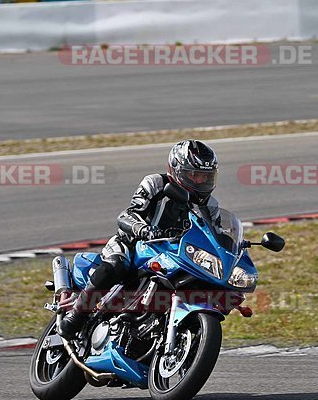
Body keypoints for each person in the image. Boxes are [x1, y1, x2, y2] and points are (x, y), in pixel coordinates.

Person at [58, 139, 219, 338]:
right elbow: (126, 215)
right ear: (177, 170)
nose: (200, 182)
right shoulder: (155, 183)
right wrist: (144, 230)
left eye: (206, 176)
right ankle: (76, 316)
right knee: (116, 265)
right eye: (194, 175)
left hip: (174, 254)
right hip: (133, 244)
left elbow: (215, 236)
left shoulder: (210, 206)